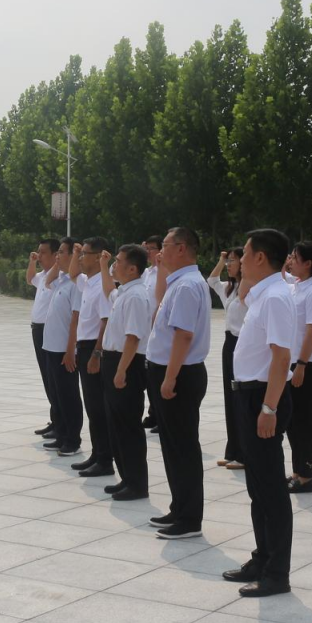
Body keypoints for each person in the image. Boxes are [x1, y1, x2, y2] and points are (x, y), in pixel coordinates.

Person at [222, 228, 298, 597]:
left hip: (263, 399)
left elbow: (281, 357)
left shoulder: (277, 297)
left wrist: (269, 407)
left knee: (270, 490)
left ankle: (277, 573)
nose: (238, 260)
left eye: (244, 253)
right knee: (257, 487)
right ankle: (262, 557)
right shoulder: (263, 295)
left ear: (260, 258)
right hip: (249, 396)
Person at [146, 226, 212, 540]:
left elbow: (183, 336)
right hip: (172, 372)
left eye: (166, 245)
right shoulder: (180, 282)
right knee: (173, 447)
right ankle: (179, 507)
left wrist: (169, 377)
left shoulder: (187, 286)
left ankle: (189, 519)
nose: (161, 251)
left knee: (183, 448)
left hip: (180, 374)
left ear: (182, 248)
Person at [101, 244, 154, 500]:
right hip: (115, 360)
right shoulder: (125, 291)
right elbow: (107, 290)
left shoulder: (136, 296)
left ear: (132, 269)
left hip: (127, 363)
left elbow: (133, 337)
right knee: (117, 425)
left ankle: (137, 484)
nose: (115, 264)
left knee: (128, 425)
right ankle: (127, 478)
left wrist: (121, 370)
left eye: (119, 261)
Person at [284, 241, 312, 493]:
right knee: (292, 421)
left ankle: (307, 475)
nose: (290, 261)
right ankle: (297, 471)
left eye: (294, 257)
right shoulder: (296, 287)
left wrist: (301, 364)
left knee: (305, 420)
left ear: (308, 263)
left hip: (307, 363)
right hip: (292, 360)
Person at [69, 238, 114, 477]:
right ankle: (97, 454)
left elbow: (105, 321)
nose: (80, 258)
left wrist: (97, 354)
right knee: (92, 406)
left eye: (84, 253)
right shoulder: (88, 282)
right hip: (84, 346)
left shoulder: (102, 285)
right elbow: (72, 274)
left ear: (98, 257)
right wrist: (76, 252)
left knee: (98, 408)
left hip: (94, 348)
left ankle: (105, 459)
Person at [38, 238, 83, 455]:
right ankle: (62, 434)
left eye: (62, 252)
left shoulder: (77, 283)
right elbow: (47, 280)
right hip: (51, 347)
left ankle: (73, 440)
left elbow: (76, 318)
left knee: (68, 395)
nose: (58, 256)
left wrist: (70, 350)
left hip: (64, 350)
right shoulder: (61, 280)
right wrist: (59, 264)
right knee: (57, 394)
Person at [208, 247, 248, 469]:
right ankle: (233, 450)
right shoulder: (229, 288)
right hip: (229, 344)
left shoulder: (250, 289)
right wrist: (222, 260)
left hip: (244, 344)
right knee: (230, 398)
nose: (229, 265)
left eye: (233, 261)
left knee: (241, 399)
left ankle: (244, 453)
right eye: (228, 261)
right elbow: (212, 279)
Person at [26, 238, 62, 440]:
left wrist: (58, 263)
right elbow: (30, 278)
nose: (39, 256)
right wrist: (32, 262)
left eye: (43, 252)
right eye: (38, 252)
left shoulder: (58, 276)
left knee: (54, 378)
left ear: (56, 255)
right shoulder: (42, 276)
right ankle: (55, 419)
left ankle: (61, 422)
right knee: (47, 377)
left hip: (49, 330)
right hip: (37, 330)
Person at [141, 234, 164, 435]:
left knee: (157, 376)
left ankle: (159, 415)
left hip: (157, 331)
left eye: (151, 248)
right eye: (146, 248)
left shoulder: (163, 273)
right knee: (148, 377)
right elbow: (115, 273)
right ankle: (152, 413)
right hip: (143, 331)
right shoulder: (145, 272)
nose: (148, 252)